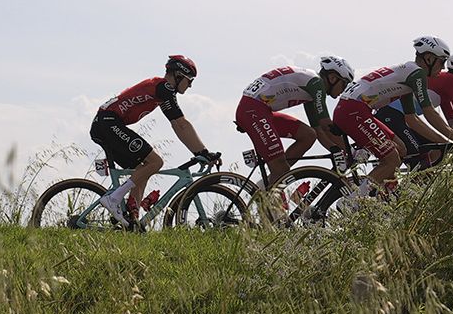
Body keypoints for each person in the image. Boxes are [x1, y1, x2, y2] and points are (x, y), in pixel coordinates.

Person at [94, 55, 214, 224]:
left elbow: (177, 125)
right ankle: (113, 199)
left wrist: (199, 152)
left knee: (143, 168)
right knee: (156, 162)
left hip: (106, 123)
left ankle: (132, 218)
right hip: (108, 122)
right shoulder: (164, 88)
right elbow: (182, 124)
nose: (190, 85)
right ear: (179, 75)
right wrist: (204, 152)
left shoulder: (160, 92)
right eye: (190, 80)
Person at [333, 37, 453, 195]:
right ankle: (354, 202)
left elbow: (411, 119)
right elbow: (429, 112)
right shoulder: (417, 73)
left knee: (401, 149)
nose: (443, 67)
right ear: (429, 58)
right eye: (441, 62)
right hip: (354, 110)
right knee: (392, 159)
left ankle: (381, 192)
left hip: (351, 108)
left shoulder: (407, 73)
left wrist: (444, 142)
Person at [235, 56, 353, 185]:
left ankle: (268, 182)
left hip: (256, 110)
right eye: (345, 84)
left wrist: (334, 149)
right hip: (253, 111)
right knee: (281, 170)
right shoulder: (317, 84)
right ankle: (275, 181)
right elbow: (326, 125)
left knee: (308, 135)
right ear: (333, 78)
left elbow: (319, 131)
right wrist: (351, 151)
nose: (343, 91)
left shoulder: (311, 87)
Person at [379, 52, 453, 170]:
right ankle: (410, 179)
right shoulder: (452, 80)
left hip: (402, 118)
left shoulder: (445, 87)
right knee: (418, 154)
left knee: (437, 150)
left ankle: (419, 179)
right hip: (392, 116)